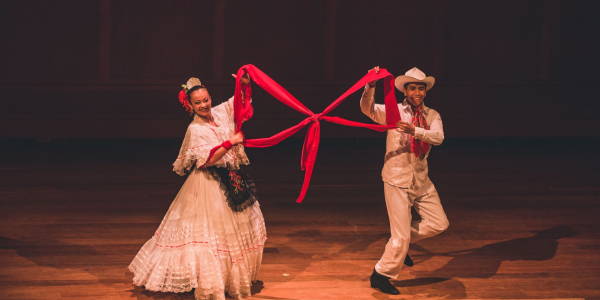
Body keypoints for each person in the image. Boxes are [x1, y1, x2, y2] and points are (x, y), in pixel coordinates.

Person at [128, 73, 266, 300]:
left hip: (229, 179)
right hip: (209, 183)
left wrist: (244, 84)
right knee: (209, 236)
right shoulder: (196, 129)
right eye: (198, 103)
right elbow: (207, 160)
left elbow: (238, 105)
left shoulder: (219, 113)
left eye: (206, 100)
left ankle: (226, 278)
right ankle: (209, 280)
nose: (203, 105)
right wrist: (230, 142)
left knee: (232, 232)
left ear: (210, 98)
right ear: (190, 106)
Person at [360, 66, 449, 295]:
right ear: (405, 91)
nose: (417, 92)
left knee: (440, 224)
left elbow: (438, 137)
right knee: (400, 237)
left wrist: (416, 130)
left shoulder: (432, 115)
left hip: (421, 179)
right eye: (413, 88)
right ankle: (380, 274)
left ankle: (401, 242)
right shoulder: (394, 111)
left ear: (425, 91)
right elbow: (367, 109)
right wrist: (371, 84)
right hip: (397, 179)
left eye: (421, 88)